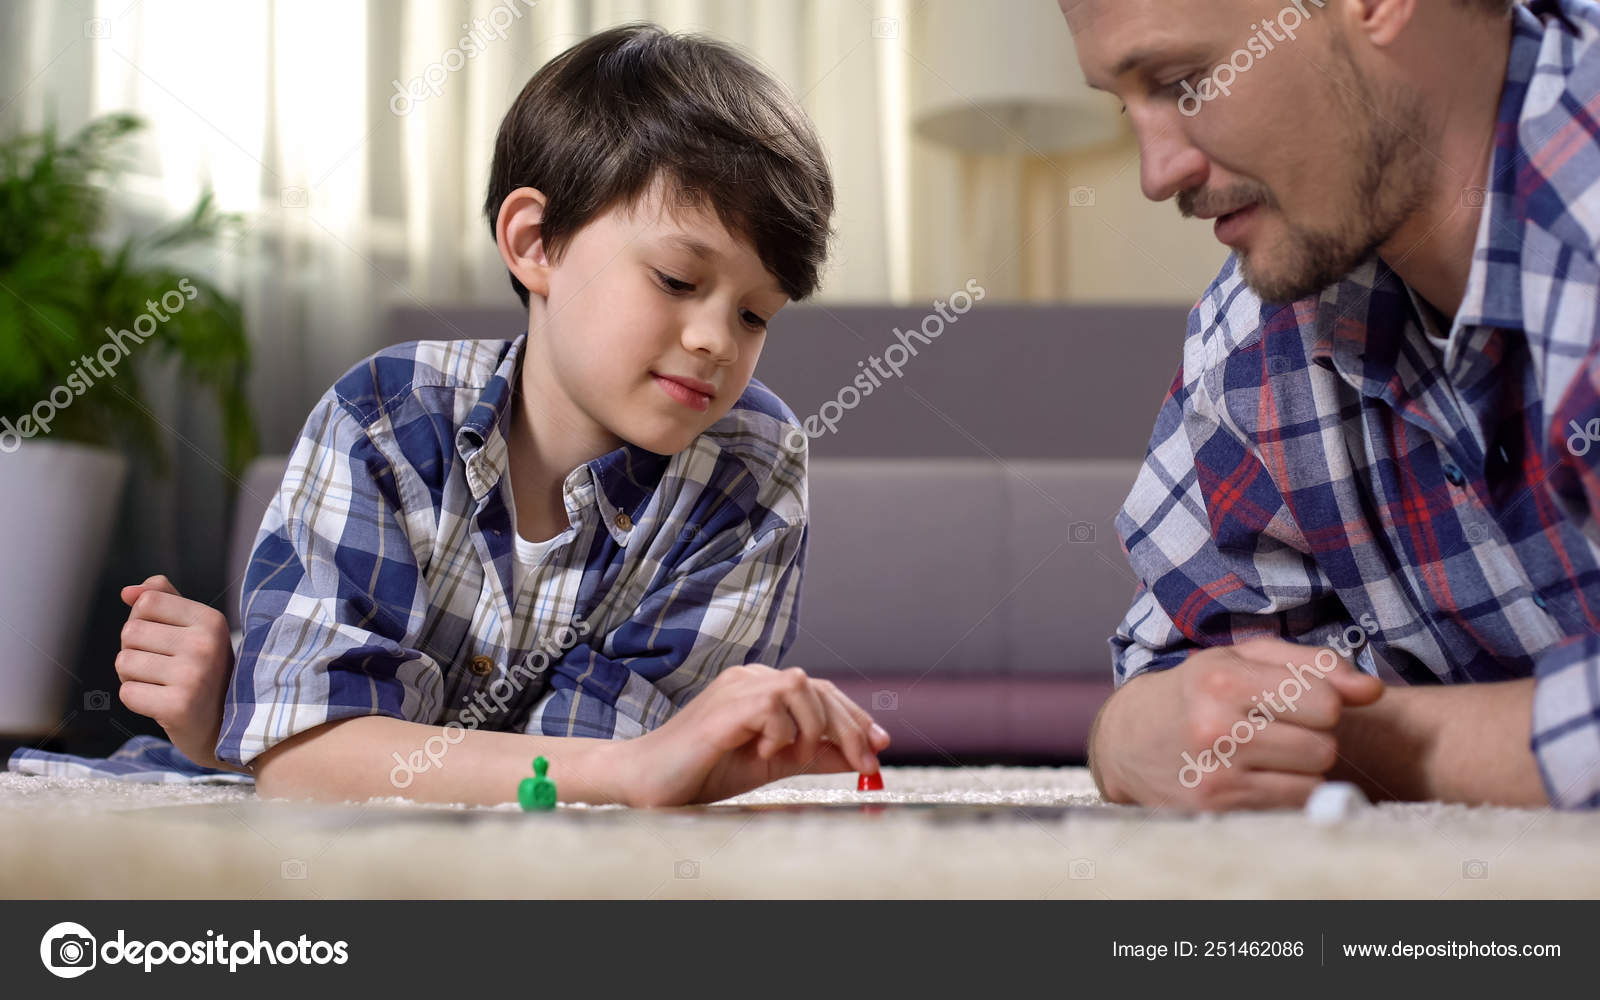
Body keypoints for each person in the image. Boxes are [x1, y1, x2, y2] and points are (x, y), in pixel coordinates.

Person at [9, 24, 890, 806]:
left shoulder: (749, 469)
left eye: (755, 315)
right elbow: (310, 766)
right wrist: (268, 738)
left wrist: (308, 736)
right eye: (676, 280)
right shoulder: (385, 417)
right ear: (534, 243)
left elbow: (600, 758)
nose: (715, 342)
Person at [1064, 0, 1600, 810]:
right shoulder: (1252, 339)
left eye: (1184, 82)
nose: (1156, 173)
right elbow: (1175, 674)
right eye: (1125, 102)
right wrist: (1129, 732)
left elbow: (1298, 735)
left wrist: (1372, 742)